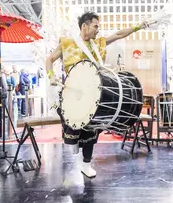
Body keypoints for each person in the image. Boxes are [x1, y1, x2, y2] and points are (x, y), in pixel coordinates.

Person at [45, 11, 148, 178]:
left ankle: (86, 164)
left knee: (92, 130)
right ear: (84, 26)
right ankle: (74, 139)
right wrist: (51, 76)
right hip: (72, 94)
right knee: (74, 123)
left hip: (94, 94)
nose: (98, 30)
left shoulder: (98, 43)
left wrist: (137, 27)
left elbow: (118, 35)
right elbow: (49, 60)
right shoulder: (67, 43)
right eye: (95, 26)